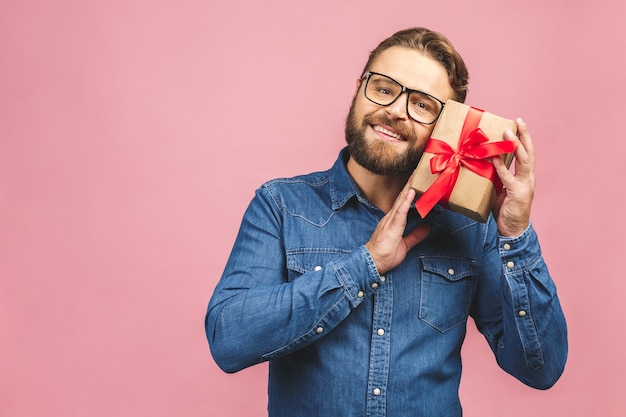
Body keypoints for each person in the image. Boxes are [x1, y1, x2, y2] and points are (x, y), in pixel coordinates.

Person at [205, 27, 567, 417]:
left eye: (422, 104)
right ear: (359, 88)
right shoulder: (280, 205)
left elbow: (540, 368)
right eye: (383, 88)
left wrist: (515, 234)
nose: (395, 109)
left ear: (447, 127)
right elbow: (229, 339)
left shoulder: (470, 230)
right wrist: (365, 264)